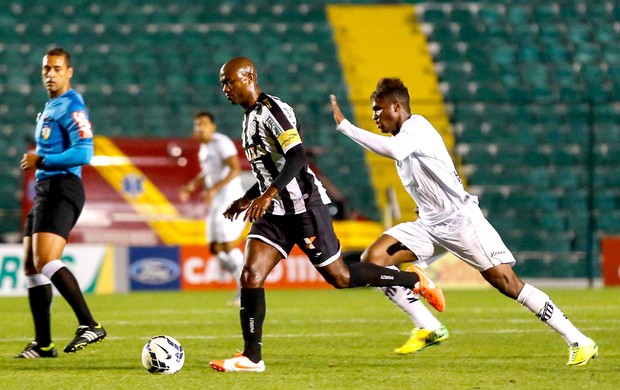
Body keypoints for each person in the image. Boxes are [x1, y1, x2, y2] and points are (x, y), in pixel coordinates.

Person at [329, 77, 598, 366]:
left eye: (378, 109)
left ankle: (579, 340)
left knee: (507, 283)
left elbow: (394, 151)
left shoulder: (416, 127)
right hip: (429, 225)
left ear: (397, 106)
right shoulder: (401, 138)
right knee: (373, 261)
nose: (374, 116)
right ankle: (429, 326)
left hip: (461, 222)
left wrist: (346, 126)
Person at [209, 57, 445, 373]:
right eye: (222, 83)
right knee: (250, 274)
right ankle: (252, 357)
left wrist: (267, 194)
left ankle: (413, 280)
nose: (225, 88)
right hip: (276, 212)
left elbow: (296, 157)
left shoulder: (273, 111)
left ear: (248, 77)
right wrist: (246, 197)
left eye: (229, 81)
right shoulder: (249, 118)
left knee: (341, 277)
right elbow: (270, 170)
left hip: (305, 206)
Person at [16, 48, 106, 358]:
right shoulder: (51, 106)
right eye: (46, 69)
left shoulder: (72, 105)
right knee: (31, 265)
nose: (50, 74)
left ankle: (89, 324)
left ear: (69, 71)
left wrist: (42, 159)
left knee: (46, 259)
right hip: (46, 189)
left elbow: (84, 152)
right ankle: (43, 344)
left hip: (62, 186)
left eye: (56, 68)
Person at [179, 110, 246, 306]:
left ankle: (246, 289)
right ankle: (240, 277)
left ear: (212, 126)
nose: (199, 128)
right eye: (197, 125)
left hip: (231, 198)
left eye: (203, 124)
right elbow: (207, 173)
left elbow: (235, 168)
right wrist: (193, 185)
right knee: (214, 247)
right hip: (218, 199)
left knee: (227, 245)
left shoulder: (221, 143)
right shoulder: (204, 149)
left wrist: (213, 189)